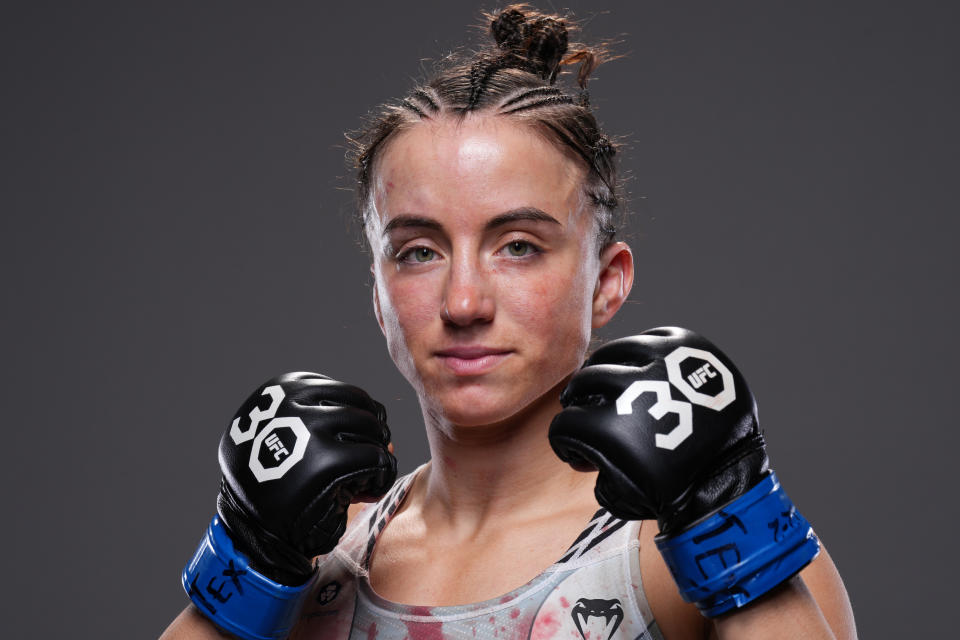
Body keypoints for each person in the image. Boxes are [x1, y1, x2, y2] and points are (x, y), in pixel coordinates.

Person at [161, 5, 856, 639]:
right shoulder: (314, 559)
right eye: (419, 252)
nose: (464, 303)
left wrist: (727, 518)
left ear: (606, 283)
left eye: (518, 246)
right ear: (378, 293)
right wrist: (246, 554)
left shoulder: (680, 551)